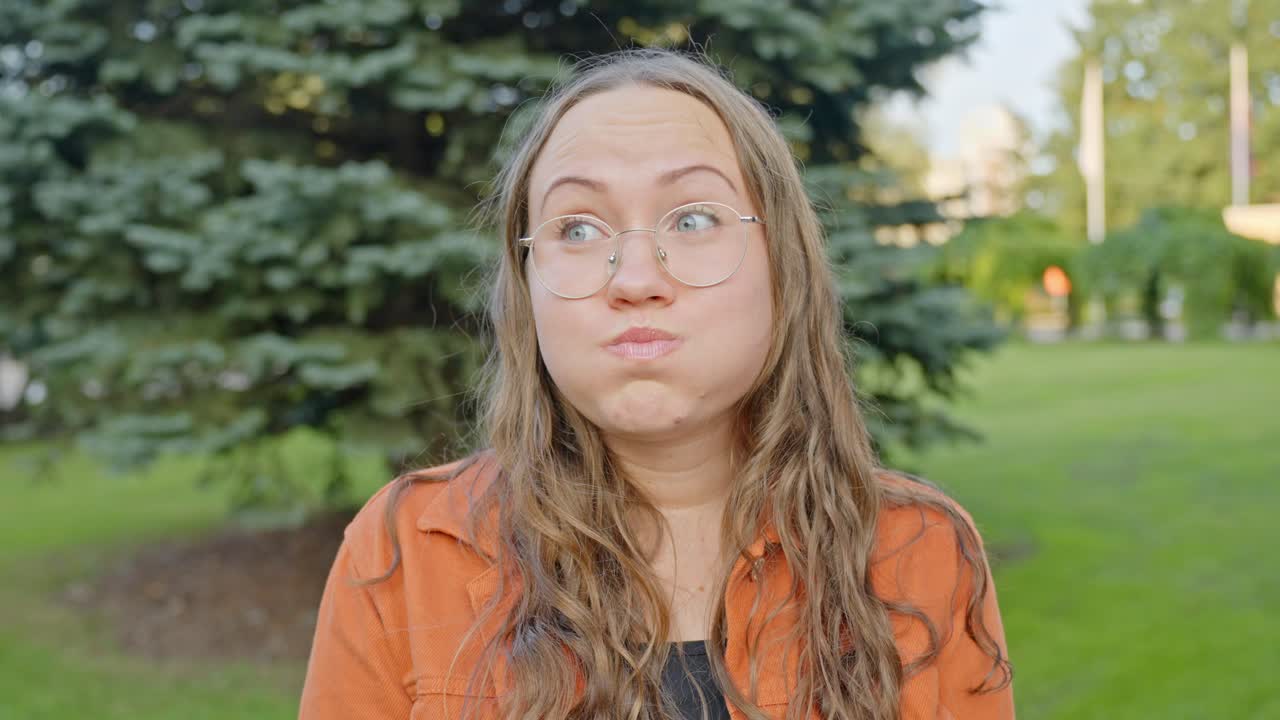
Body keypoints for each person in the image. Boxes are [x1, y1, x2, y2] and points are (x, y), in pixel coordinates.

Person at [298, 48, 1014, 720]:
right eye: (577, 229)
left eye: (694, 218)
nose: (635, 279)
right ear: (526, 289)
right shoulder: (406, 555)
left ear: (782, 267)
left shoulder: (921, 549)